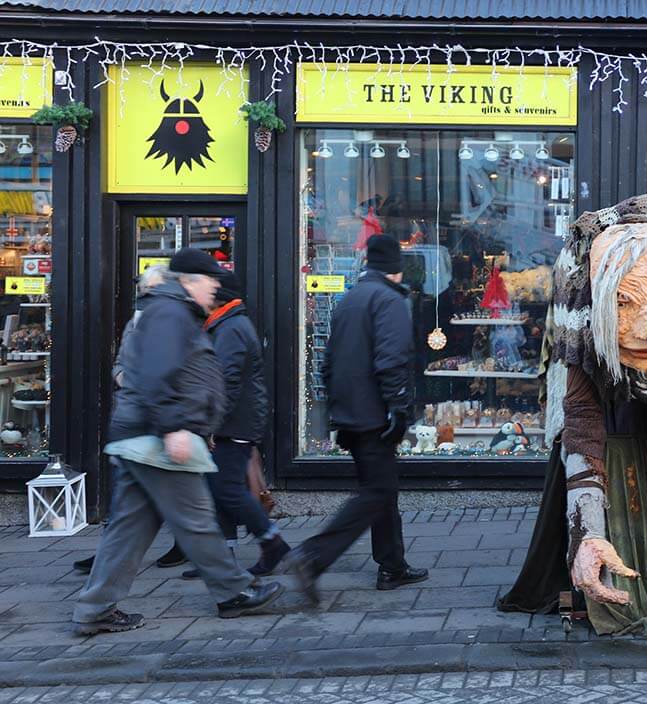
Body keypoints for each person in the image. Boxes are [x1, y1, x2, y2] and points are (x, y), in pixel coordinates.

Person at [498, 196, 647, 638]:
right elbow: (581, 415)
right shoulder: (581, 299)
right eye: (625, 305)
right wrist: (587, 532)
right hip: (612, 427)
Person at [72, 249, 283, 635]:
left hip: (143, 436)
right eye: (210, 281)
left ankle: (94, 608)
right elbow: (156, 374)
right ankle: (233, 592)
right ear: (189, 280)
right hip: (158, 438)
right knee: (198, 519)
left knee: (129, 529)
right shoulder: (170, 312)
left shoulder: (171, 310)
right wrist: (174, 428)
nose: (215, 288)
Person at [286, 234, 428, 605]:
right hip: (375, 415)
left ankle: (392, 565)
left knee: (382, 489)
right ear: (395, 269)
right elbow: (391, 359)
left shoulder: (349, 299)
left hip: (351, 413)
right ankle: (313, 557)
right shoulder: (390, 301)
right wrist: (398, 408)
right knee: (376, 492)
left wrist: (337, 411)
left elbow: (328, 361)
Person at [74, 264, 185, 574]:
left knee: (181, 504)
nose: (145, 295)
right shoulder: (135, 322)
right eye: (144, 290)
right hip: (137, 423)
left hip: (164, 425)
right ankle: (106, 565)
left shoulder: (177, 321)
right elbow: (120, 364)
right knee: (130, 504)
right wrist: (127, 378)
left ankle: (207, 561)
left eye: (151, 289)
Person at [181, 269, 290, 579]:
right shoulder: (222, 325)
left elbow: (226, 381)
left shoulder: (230, 328)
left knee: (227, 489)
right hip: (232, 421)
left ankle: (273, 544)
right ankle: (223, 557)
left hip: (235, 423)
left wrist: (212, 425)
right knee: (219, 489)